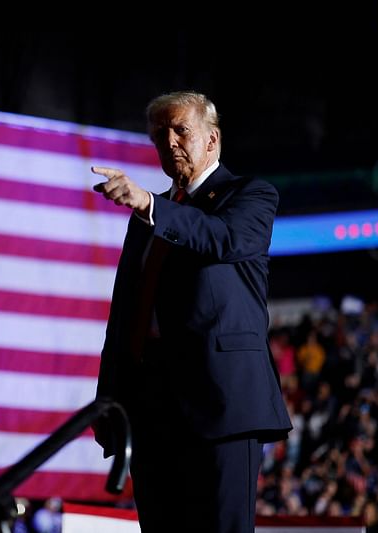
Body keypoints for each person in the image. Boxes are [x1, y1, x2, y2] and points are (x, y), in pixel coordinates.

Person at [92, 91, 292, 533]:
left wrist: (150, 205)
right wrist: (109, 400)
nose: (171, 142)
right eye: (160, 136)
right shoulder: (148, 218)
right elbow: (126, 314)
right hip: (151, 411)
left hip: (222, 406)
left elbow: (223, 239)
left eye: (181, 130)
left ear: (212, 140)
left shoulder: (250, 196)